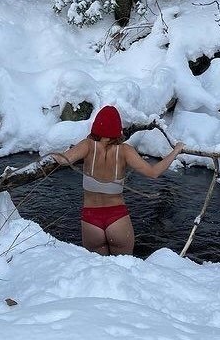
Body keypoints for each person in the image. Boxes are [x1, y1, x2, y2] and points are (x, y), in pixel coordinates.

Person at [51, 105, 184, 256]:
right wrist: (175, 151)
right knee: (123, 268)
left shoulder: (87, 146)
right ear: (117, 129)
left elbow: (62, 160)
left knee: (97, 268)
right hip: (117, 219)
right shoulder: (125, 151)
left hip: (91, 220)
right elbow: (153, 172)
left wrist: (52, 154)